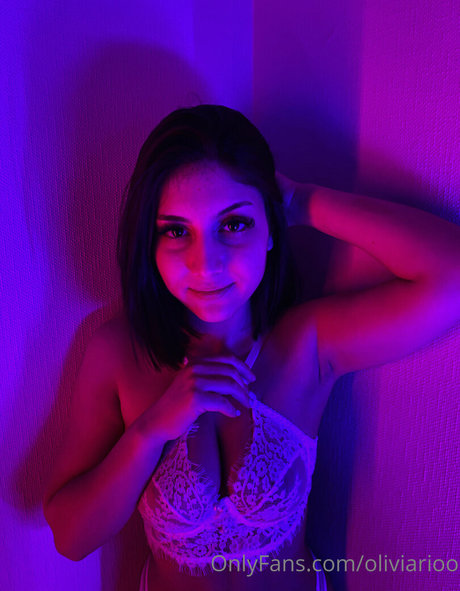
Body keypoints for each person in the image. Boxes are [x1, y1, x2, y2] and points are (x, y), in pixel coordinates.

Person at [42, 104, 460, 591]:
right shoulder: (118, 353)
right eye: (176, 230)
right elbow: (71, 537)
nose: (207, 264)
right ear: (149, 242)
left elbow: (450, 278)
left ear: (270, 229)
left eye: (234, 224)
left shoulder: (307, 345)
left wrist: (301, 201)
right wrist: (152, 429)